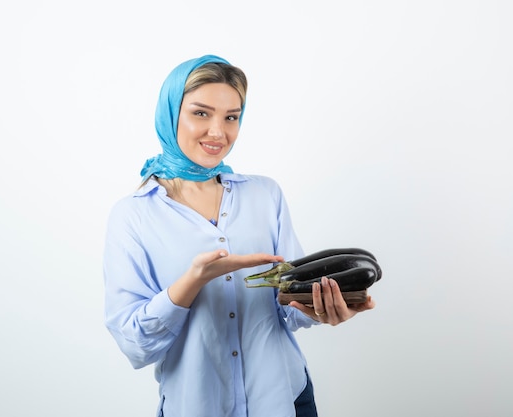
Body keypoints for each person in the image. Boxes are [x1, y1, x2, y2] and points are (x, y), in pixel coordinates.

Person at [103, 54, 375, 417]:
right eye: (201, 113)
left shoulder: (266, 195)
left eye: (231, 117)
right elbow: (135, 344)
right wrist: (191, 283)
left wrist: (320, 309)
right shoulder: (133, 216)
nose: (219, 132)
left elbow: (289, 308)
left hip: (285, 400)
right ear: (171, 115)